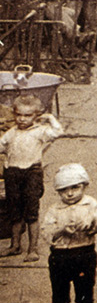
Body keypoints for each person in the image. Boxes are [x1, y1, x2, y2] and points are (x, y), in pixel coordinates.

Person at [1, 93, 63, 261]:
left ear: (36, 116)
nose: (22, 119)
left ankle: (33, 249)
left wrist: (49, 118)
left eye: (27, 115)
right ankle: (15, 246)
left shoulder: (40, 132)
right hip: (13, 173)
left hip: (31, 173)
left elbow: (58, 132)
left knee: (31, 212)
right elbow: (1, 146)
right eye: (18, 115)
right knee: (14, 211)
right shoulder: (11, 133)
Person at [40, 163, 97, 303]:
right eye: (63, 190)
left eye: (75, 188)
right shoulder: (54, 209)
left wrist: (91, 225)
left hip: (85, 253)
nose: (70, 193)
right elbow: (45, 231)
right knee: (59, 295)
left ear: (84, 186)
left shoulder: (90, 204)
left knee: (86, 294)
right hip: (60, 257)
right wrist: (61, 230)